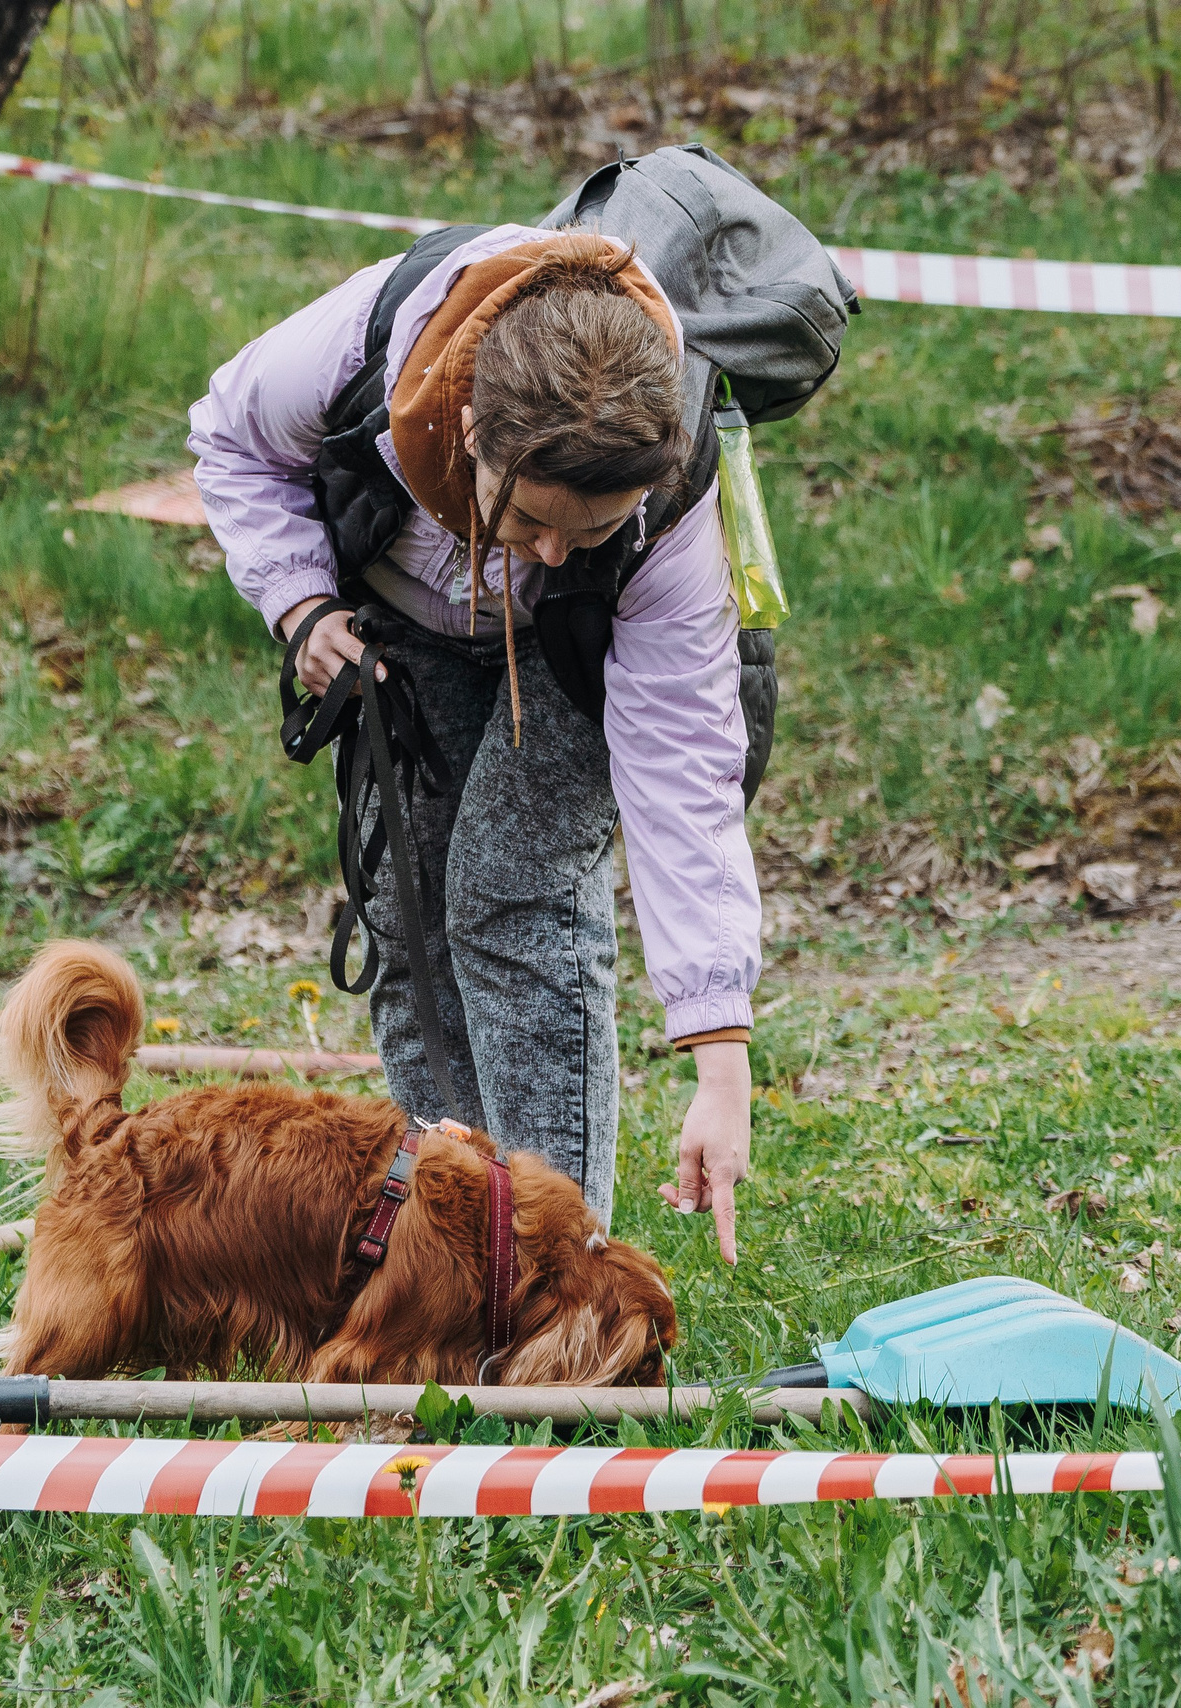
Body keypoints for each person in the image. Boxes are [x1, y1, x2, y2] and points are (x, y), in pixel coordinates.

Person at [188, 229, 758, 1262]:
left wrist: (720, 1061)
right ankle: (451, 1251)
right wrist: (300, 603)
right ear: (467, 430)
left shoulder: (666, 516)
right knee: (408, 911)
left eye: (590, 529)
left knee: (511, 885)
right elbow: (230, 439)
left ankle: (551, 1266)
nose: (552, 551)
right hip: (404, 615)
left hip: (583, 644)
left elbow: (683, 775)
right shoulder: (358, 346)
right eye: (532, 518)